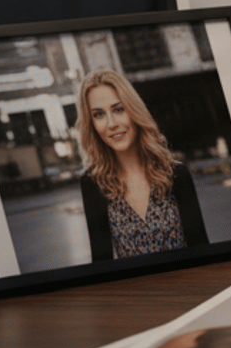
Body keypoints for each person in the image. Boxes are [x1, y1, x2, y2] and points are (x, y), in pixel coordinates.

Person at [76, 68, 208, 261]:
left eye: (118, 109)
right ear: (91, 123)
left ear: (134, 110)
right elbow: (101, 263)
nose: (111, 123)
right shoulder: (93, 183)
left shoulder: (175, 174)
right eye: (98, 114)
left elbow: (201, 250)